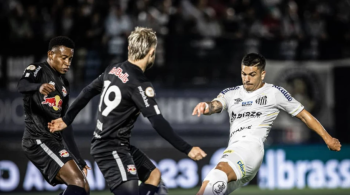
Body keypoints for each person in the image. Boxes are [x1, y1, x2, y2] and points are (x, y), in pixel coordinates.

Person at [48, 27, 207, 195]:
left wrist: (67, 119)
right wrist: (187, 148)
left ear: (129, 49)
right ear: (152, 52)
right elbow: (157, 121)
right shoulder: (139, 84)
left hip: (116, 144)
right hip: (110, 147)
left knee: (154, 176)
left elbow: (87, 92)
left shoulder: (113, 69)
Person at [192, 53, 342, 195]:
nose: (247, 79)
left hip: (249, 149)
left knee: (217, 173)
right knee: (207, 190)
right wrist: (206, 106)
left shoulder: (274, 93)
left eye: (252, 75)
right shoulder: (231, 93)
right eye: (244, 74)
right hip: (236, 151)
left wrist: (327, 137)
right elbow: (216, 105)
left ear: (262, 74)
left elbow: (303, 115)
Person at [17, 36, 90, 195]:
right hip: (37, 139)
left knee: (84, 187)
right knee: (77, 182)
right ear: (50, 54)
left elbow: (65, 125)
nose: (67, 63)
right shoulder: (38, 69)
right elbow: (22, 85)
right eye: (64, 58)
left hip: (54, 141)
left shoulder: (64, 84)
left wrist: (78, 159)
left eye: (70, 59)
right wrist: (38, 87)